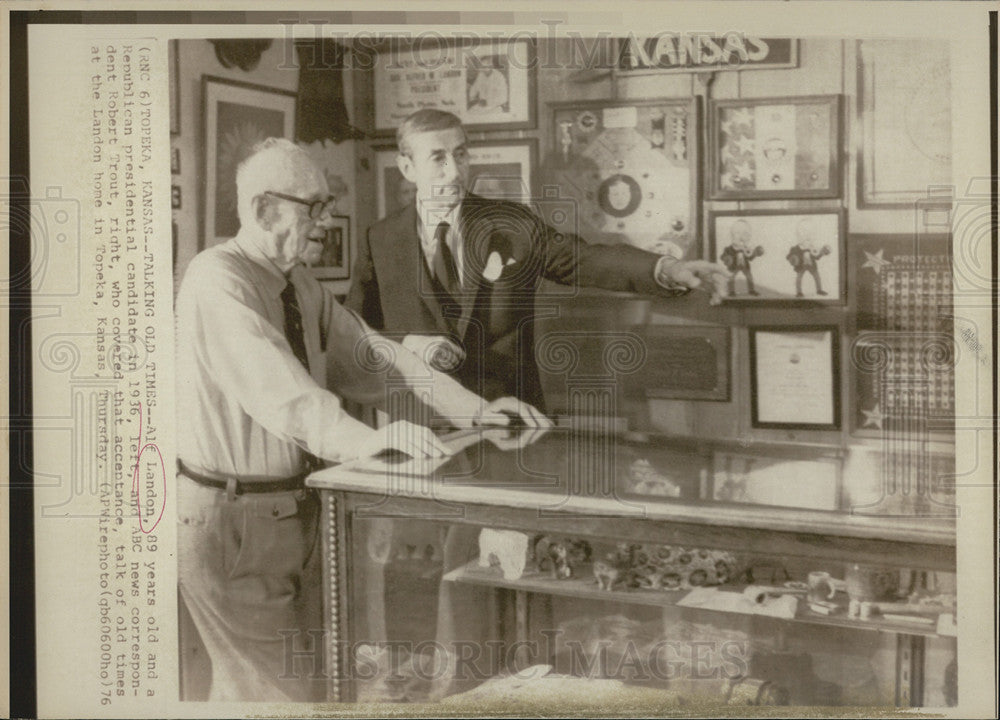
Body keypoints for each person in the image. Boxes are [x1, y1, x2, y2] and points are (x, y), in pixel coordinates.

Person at [175, 137, 547, 702]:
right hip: (233, 522)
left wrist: (476, 410)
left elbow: (378, 358)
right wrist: (367, 440)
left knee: (306, 686)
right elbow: (285, 394)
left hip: (292, 511)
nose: (327, 221)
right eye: (315, 207)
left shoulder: (296, 284)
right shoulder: (217, 280)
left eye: (328, 206)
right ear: (262, 210)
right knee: (274, 695)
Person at [346, 109, 729, 411]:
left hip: (510, 413)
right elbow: (353, 333)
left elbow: (585, 259)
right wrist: (410, 343)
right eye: (438, 158)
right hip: (421, 420)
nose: (454, 170)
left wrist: (668, 268)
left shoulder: (511, 225)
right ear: (408, 168)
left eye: (460, 154)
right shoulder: (379, 239)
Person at [786, 218, 830, 297]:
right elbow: (789, 256)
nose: (806, 240)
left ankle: (819, 290)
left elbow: (817, 257)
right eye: (803, 237)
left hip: (811, 265)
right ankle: (799, 292)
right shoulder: (796, 248)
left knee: (817, 277)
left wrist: (822, 252)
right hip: (801, 265)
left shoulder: (812, 248)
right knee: (799, 278)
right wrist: (792, 259)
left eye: (808, 239)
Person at [720, 219, 763, 296]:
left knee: (749, 277)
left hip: (744, 265)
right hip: (733, 266)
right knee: (731, 277)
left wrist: (756, 253)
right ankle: (731, 291)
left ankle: (751, 290)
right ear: (732, 235)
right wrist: (727, 258)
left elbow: (750, 258)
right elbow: (722, 256)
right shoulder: (729, 249)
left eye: (745, 234)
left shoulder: (746, 248)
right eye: (737, 233)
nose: (741, 238)